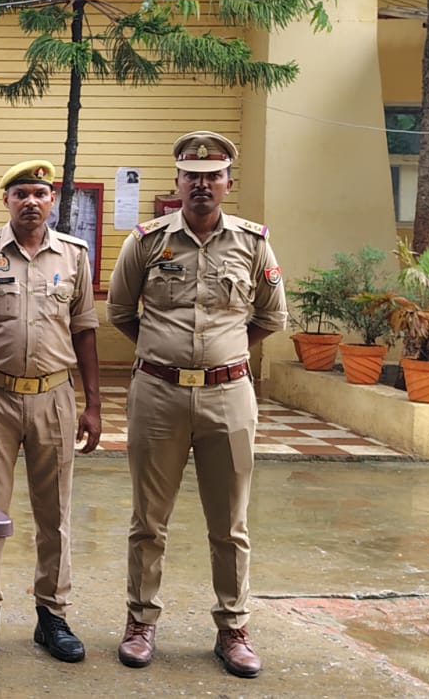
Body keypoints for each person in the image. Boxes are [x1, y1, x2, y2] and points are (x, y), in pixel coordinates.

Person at [106, 131, 285, 679]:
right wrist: (166, 354)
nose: (202, 185)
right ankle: (140, 621)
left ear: (228, 182)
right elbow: (120, 311)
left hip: (228, 396)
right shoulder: (147, 241)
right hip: (157, 395)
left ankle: (233, 628)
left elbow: (271, 316)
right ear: (177, 182)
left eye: (213, 177)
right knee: (148, 520)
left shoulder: (253, 243)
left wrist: (223, 355)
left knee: (230, 523)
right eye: (193, 176)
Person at [0, 160, 102, 664]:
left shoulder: (74, 255)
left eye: (40, 193)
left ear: (52, 199)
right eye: (21, 194)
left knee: (54, 512)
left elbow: (84, 331)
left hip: (55, 397)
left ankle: (52, 615)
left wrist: (94, 405)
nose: (31, 202)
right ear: (7, 201)